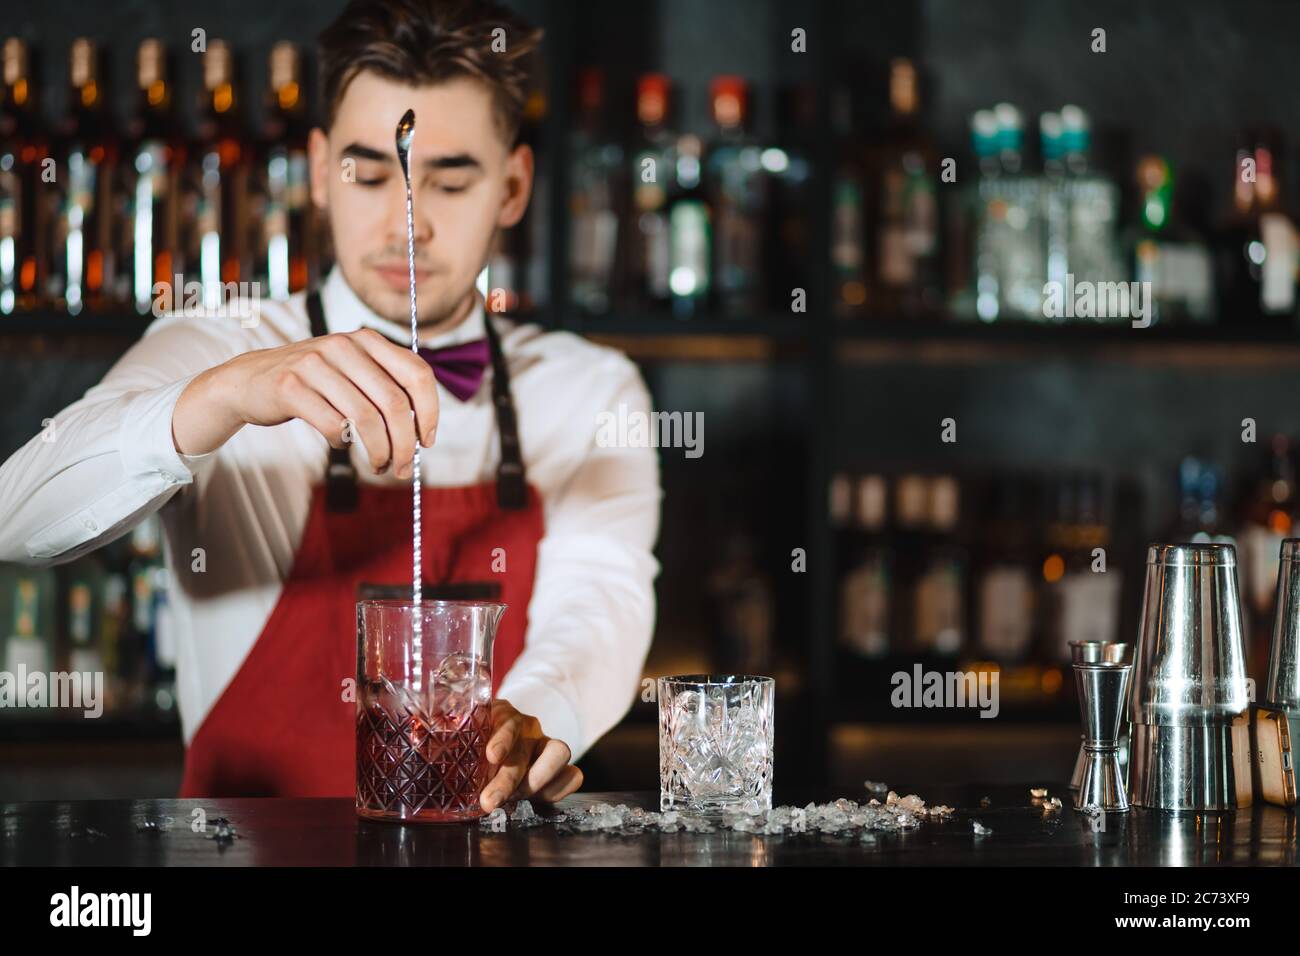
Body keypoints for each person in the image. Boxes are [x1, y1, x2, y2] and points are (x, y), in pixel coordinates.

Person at [0, 0, 661, 812]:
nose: (406, 223)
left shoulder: (590, 389)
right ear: (318, 171)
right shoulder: (218, 344)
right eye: (369, 174)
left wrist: (540, 717)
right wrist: (231, 393)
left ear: (515, 187)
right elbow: (16, 517)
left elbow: (603, 598)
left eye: (450, 180)